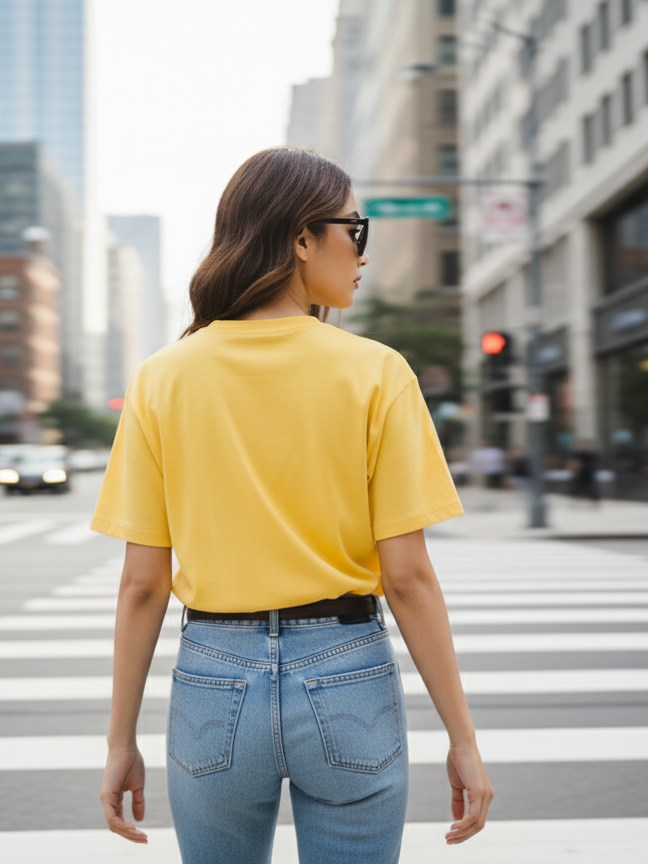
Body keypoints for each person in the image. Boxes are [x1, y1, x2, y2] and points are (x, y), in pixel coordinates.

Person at [92, 147, 494, 864]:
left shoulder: (162, 378)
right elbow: (408, 578)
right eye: (354, 229)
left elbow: (142, 584)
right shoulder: (376, 372)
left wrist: (120, 741)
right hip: (347, 669)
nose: (362, 251)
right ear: (302, 238)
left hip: (213, 676)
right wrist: (462, 739)